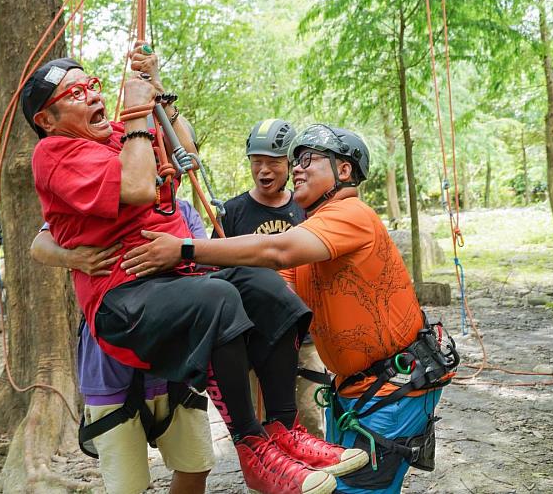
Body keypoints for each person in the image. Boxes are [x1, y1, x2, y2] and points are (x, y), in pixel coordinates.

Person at [23, 46, 367, 494]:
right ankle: (250, 443)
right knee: (217, 297)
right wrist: (135, 111)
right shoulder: (56, 153)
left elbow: (184, 152)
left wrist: (158, 94)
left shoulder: (117, 136)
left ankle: (283, 428)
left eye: (92, 85)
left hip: (174, 293)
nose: (91, 95)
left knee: (264, 286)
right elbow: (138, 187)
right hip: (123, 303)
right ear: (47, 121)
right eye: (75, 93)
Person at [121, 124, 457, 493]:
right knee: (339, 483)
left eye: (309, 160)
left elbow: (275, 250)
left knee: (358, 489)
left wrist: (185, 248)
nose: (296, 168)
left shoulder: (351, 214)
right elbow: (271, 288)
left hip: (390, 389)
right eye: (295, 161)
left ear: (343, 171)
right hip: (356, 390)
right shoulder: (316, 235)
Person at [31, 199, 211, 494]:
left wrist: (175, 254)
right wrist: (76, 258)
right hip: (109, 367)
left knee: (196, 466)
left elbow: (204, 259)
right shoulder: (91, 206)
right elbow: (41, 244)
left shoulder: (179, 208)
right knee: (126, 486)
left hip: (174, 363)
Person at [219, 118, 326, 439]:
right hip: (254, 338)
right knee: (261, 424)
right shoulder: (232, 212)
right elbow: (219, 274)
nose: (264, 171)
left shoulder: (307, 208)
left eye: (273, 163)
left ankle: (316, 485)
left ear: (290, 164)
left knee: (309, 418)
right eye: (256, 163)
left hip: (303, 336)